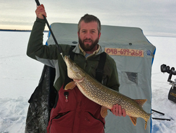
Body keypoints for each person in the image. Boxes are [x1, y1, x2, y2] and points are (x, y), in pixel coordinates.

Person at [27, 4, 126, 133]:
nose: (88, 36)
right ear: (78, 33)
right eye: (84, 31)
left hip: (92, 128)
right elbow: (34, 51)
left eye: (92, 31)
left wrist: (115, 107)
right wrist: (40, 21)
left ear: (99, 34)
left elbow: (114, 92)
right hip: (61, 126)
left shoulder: (108, 63)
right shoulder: (63, 52)